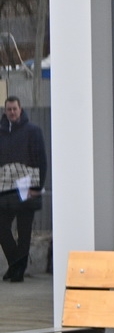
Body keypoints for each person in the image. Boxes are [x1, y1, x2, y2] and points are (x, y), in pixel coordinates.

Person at [0, 96, 47, 282]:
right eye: (9, 109)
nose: (12, 112)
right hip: (5, 189)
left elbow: (41, 160)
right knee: (2, 227)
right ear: (5, 111)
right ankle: (15, 265)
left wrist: (37, 187)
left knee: (24, 231)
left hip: (27, 188)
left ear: (20, 110)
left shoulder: (33, 131)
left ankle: (17, 272)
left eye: (15, 109)